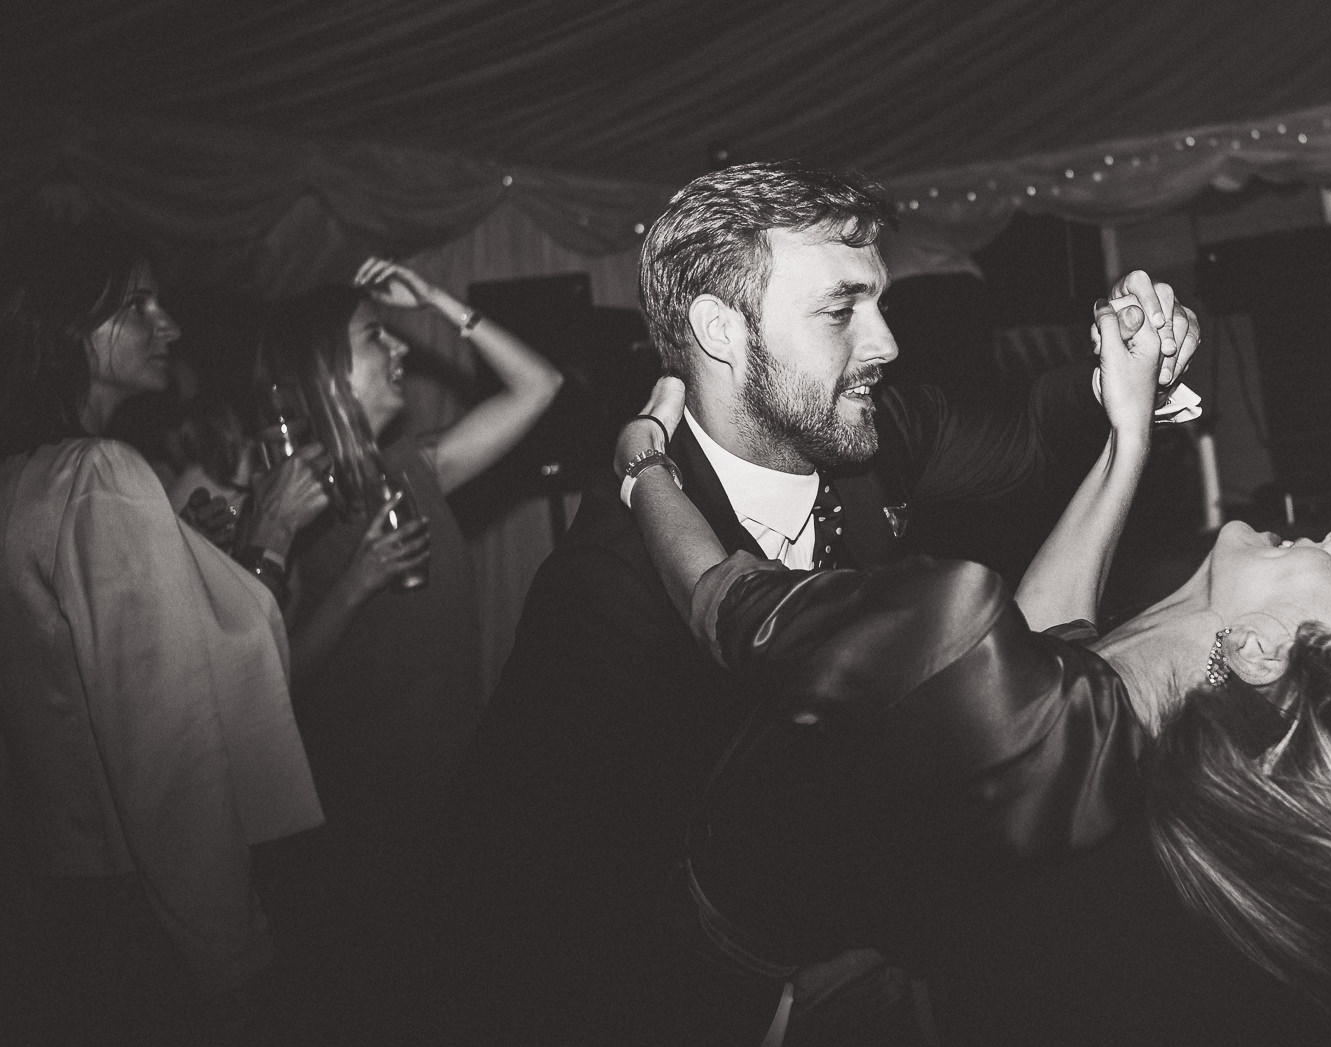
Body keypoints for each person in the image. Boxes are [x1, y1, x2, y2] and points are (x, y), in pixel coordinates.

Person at [617, 303, 1331, 1044]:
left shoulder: (965, 648)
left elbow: (717, 598)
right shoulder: (1133, 742)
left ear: (1263, 649)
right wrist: (1127, 438)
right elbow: (1046, 646)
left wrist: (643, 464)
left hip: (682, 967)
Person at [447, 162, 1201, 1041]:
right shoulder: (606, 596)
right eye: (842, 310)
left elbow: (1031, 428)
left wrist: (1133, 373)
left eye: (877, 302)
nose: (884, 343)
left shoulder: (872, 437)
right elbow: (534, 889)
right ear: (720, 328)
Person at [0, 225, 328, 1043]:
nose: (169, 324)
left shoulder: (25, 471)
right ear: (70, 324)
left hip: (55, 898)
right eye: (139, 303)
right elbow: (164, 739)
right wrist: (233, 957)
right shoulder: (99, 474)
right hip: (143, 911)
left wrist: (195, 559)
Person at [253, 256, 561, 1024]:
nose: (398, 352)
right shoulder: (278, 502)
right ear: (324, 369)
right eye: (373, 339)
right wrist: (358, 580)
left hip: (455, 790)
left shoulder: (416, 468)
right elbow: (264, 685)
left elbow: (540, 386)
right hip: (362, 825)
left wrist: (434, 300)